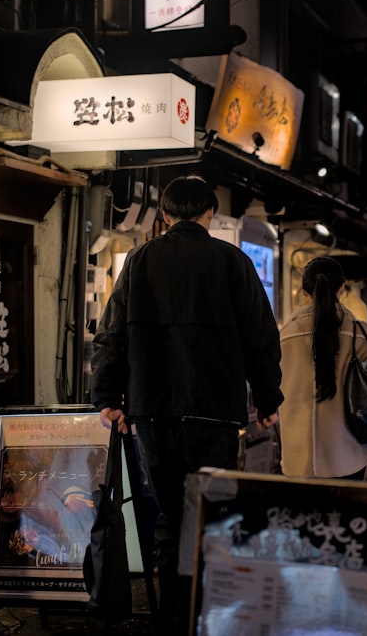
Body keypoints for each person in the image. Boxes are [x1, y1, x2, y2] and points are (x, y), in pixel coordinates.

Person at [90, 174, 284, 633]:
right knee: (210, 515)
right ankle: (206, 616)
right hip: (214, 413)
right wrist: (267, 400)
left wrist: (108, 398)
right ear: (209, 213)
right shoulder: (233, 262)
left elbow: (111, 334)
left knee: (172, 517)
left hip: (152, 413)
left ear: (164, 215)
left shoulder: (140, 261)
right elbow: (261, 338)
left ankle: (172, 620)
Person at [278, 256, 367, 480]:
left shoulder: (283, 337)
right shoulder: (364, 335)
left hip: (297, 460)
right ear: (342, 288)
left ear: (304, 292)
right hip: (350, 456)